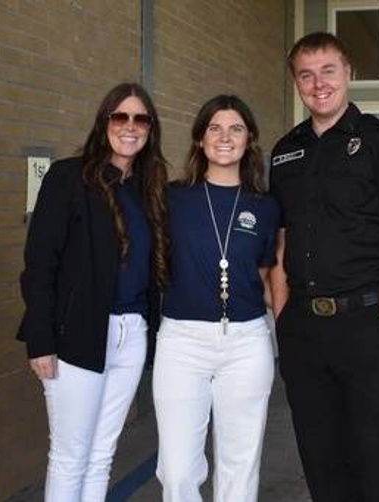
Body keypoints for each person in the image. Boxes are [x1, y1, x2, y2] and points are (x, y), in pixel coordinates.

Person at [268, 32, 379, 502]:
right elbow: (281, 241)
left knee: (374, 457)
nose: (318, 84)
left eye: (328, 71)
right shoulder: (285, 151)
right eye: (306, 74)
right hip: (303, 331)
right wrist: (282, 315)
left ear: (349, 73)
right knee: (319, 457)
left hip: (365, 325)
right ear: (296, 82)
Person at [17, 82, 169, 502]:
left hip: (131, 333)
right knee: (70, 455)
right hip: (77, 334)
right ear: (104, 123)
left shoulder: (150, 188)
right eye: (120, 117)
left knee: (103, 453)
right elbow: (39, 264)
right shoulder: (70, 178)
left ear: (150, 128)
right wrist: (39, 340)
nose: (130, 127)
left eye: (141, 119)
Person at [152, 95, 279, 502]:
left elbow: (261, 273)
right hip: (182, 341)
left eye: (236, 128)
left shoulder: (265, 206)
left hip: (246, 341)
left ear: (250, 141)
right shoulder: (171, 198)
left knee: (240, 462)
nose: (225, 137)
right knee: (176, 470)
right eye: (215, 128)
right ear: (199, 139)